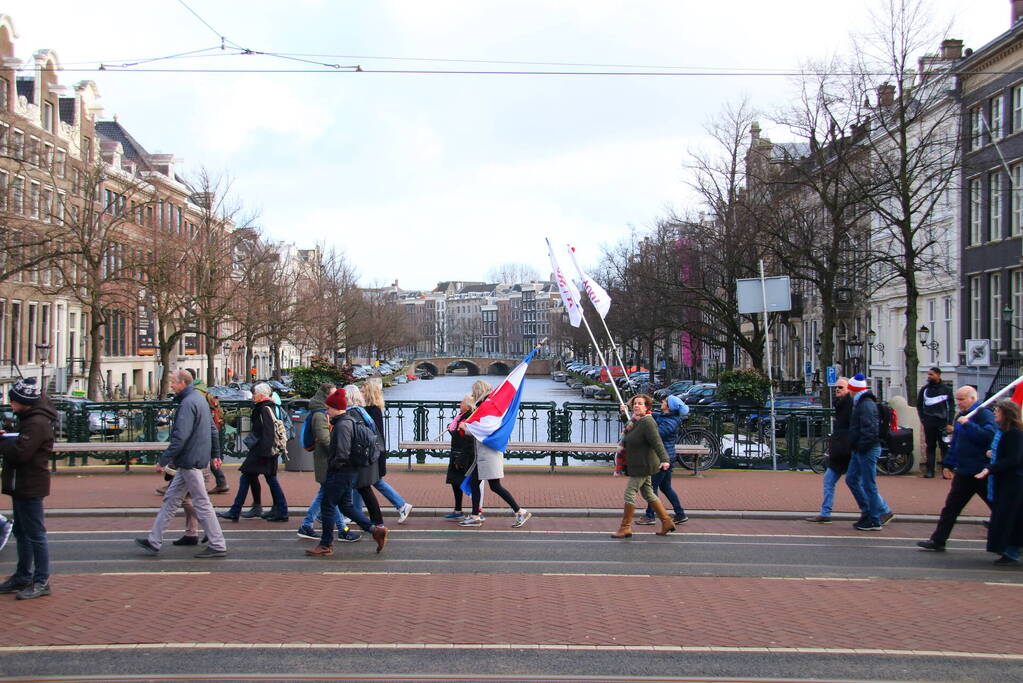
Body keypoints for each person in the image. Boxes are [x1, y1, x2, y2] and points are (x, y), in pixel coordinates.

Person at [135, 370, 227, 558]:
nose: (171, 386)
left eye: (173, 383)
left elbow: (180, 437)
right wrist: (215, 454)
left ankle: (217, 543)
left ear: (183, 383)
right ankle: (154, 540)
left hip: (189, 461)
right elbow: (213, 430)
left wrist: (163, 459)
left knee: (201, 502)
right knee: (171, 499)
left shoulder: (187, 404)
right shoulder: (200, 399)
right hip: (195, 459)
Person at [305, 388, 389, 556]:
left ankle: (325, 544)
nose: (327, 411)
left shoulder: (342, 425)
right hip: (349, 472)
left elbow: (342, 452)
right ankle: (375, 531)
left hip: (341, 472)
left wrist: (334, 466)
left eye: (329, 408)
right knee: (346, 507)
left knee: (327, 506)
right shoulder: (349, 421)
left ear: (336, 408)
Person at [917, 385, 997, 552]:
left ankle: (1010, 540)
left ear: (973, 399)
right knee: (951, 508)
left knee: (997, 506)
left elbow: (988, 437)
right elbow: (956, 443)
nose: (959, 403)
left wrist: (968, 425)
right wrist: (948, 463)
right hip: (964, 471)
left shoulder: (983, 414)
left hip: (981, 471)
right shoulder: (961, 416)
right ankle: (938, 540)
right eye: (958, 399)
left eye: (962, 399)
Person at [0, 378, 55, 599]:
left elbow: (22, 453)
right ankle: (23, 575)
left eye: (13, 400)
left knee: (35, 534)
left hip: (30, 484)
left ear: (24, 402)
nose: (10, 403)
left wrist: (2, 443)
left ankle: (41, 580)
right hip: (21, 483)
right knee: (22, 532)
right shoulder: (29, 419)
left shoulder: (36, 423)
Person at [457, 380, 531, 528]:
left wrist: (466, 428)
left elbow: (486, 429)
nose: (472, 394)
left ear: (479, 391)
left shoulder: (487, 406)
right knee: (475, 482)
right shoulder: (486, 406)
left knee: (495, 486)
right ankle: (475, 515)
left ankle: (519, 511)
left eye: (473, 391)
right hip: (484, 454)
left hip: (488, 453)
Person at [296, 383, 361, 542]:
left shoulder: (323, 413)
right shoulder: (319, 415)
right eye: (332, 395)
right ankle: (341, 530)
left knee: (326, 496)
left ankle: (309, 525)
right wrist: (340, 446)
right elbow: (324, 439)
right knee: (330, 496)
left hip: (329, 461)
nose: (334, 398)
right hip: (326, 462)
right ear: (325, 396)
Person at [218, 383, 289, 523]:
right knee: (265, 478)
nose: (253, 396)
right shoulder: (270, 407)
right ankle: (280, 509)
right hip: (266, 451)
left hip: (262, 451)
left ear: (261, 395)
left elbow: (267, 431)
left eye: (255, 394)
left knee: (248, 477)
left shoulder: (263, 409)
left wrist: (265, 452)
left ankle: (237, 510)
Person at [611, 393, 675, 538]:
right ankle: (666, 521)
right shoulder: (636, 421)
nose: (636, 406)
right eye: (634, 403)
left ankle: (625, 527)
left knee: (629, 493)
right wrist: (623, 413)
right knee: (648, 493)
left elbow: (657, 442)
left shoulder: (648, 422)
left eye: (640, 403)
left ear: (647, 407)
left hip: (643, 465)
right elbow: (630, 429)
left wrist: (665, 459)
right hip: (639, 463)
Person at [975, 398, 1023, 565]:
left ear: (1006, 414)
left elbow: (1013, 458)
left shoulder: (1014, 433)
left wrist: (991, 468)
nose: (995, 412)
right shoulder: (1005, 432)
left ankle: (1011, 551)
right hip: (1006, 482)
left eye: (998, 410)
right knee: (1008, 517)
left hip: (1013, 483)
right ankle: (1009, 550)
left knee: (1010, 518)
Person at [844, 374, 894, 531]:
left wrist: (861, 446)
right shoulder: (862, 402)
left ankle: (874, 518)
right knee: (852, 479)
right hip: (862, 448)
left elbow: (869, 429)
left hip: (866, 448)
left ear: (852, 389)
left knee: (868, 484)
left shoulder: (865, 404)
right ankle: (868, 512)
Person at [362, 380, 413, 524]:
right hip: (375, 452)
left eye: (363, 390)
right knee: (363, 483)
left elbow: (373, 434)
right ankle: (401, 505)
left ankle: (401, 505)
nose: (361, 393)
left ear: (369, 393)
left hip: (374, 453)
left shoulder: (372, 411)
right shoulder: (372, 410)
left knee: (371, 482)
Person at [636, 395, 689, 526]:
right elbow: (653, 415)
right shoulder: (665, 417)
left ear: (669, 407)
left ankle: (650, 516)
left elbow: (655, 435)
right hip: (668, 457)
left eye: (665, 401)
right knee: (665, 487)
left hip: (662, 459)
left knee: (651, 488)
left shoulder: (669, 423)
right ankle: (680, 513)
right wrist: (641, 410)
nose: (662, 402)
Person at [344, 385, 386, 526]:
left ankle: (367, 522)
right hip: (365, 456)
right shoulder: (363, 413)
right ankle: (373, 521)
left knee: (355, 488)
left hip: (357, 457)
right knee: (363, 488)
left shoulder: (352, 414)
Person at [917, 367, 955, 478]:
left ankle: (945, 470)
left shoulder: (946, 389)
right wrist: (923, 419)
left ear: (938, 375)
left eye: (931, 374)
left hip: (942, 422)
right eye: (928, 374)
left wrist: (949, 422)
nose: (929, 377)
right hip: (929, 422)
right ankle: (930, 471)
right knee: (930, 446)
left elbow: (951, 406)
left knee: (944, 446)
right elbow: (919, 405)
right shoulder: (924, 390)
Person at [443, 394, 475, 521]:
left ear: (468, 406)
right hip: (456, 452)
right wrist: (452, 429)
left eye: (461, 403)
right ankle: (458, 509)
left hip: (462, 454)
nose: (459, 404)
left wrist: (454, 431)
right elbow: (457, 434)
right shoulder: (460, 417)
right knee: (455, 482)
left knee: (468, 482)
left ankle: (476, 510)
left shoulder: (468, 417)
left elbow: (466, 439)